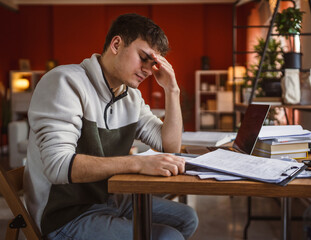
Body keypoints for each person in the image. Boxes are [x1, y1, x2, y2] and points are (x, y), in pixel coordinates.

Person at [24, 13, 198, 240]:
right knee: (168, 237)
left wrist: (172, 90)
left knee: (187, 218)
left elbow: (169, 145)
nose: (148, 69)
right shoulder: (64, 82)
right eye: (143, 57)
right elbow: (59, 166)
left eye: (153, 63)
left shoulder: (130, 97)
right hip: (65, 215)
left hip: (109, 199)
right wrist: (138, 163)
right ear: (116, 44)